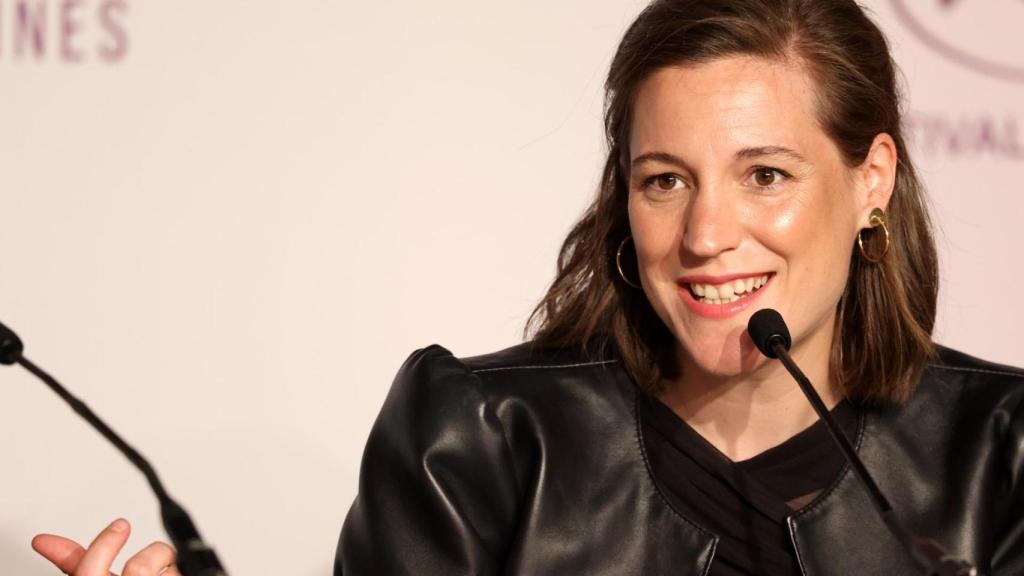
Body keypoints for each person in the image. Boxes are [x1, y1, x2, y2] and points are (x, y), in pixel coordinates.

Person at [32, 0, 1024, 575]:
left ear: (872, 180)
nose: (706, 236)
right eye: (664, 181)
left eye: (764, 174)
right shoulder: (477, 440)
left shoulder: (1003, 453)